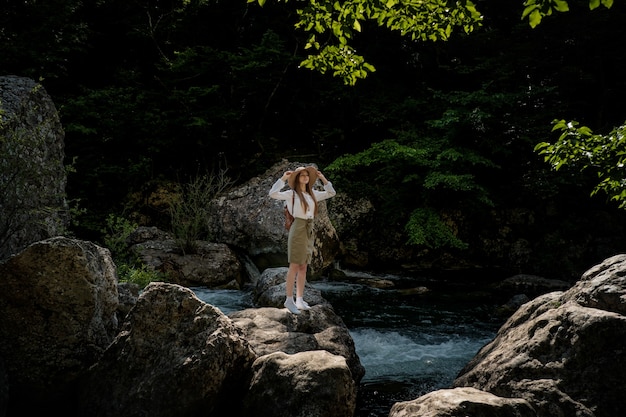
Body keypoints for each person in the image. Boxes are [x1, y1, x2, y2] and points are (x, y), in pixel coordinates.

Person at [268, 166, 336, 314]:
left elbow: (331, 192)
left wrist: (322, 178)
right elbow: (272, 194)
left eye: (307, 175)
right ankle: (288, 299)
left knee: (303, 266)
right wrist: (283, 179)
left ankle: (299, 298)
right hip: (297, 228)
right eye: (302, 175)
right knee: (294, 265)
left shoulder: (313, 194)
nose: (305, 177)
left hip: (309, 228)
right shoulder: (291, 194)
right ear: (297, 178)